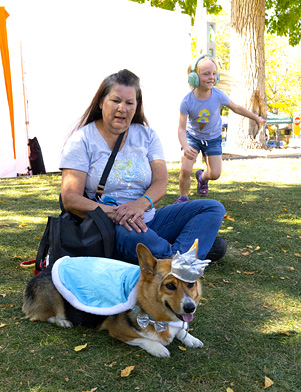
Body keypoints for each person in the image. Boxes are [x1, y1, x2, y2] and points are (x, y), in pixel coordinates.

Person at [59, 69, 226, 263]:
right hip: (111, 225)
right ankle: (180, 261)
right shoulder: (82, 140)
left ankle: (170, 259)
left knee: (212, 208)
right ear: (101, 102)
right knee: (136, 238)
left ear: (136, 106)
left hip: (150, 219)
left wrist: (140, 205)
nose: (122, 108)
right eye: (116, 101)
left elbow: (161, 181)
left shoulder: (147, 136)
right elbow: (70, 198)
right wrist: (118, 214)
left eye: (129, 103)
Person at [174, 55, 266, 203]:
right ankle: (183, 198)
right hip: (193, 138)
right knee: (185, 169)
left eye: (214, 73)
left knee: (215, 174)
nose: (211, 77)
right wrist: (185, 146)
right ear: (194, 78)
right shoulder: (187, 101)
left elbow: (236, 108)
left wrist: (255, 117)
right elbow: (181, 128)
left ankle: (202, 177)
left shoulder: (218, 95)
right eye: (206, 74)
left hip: (213, 139)